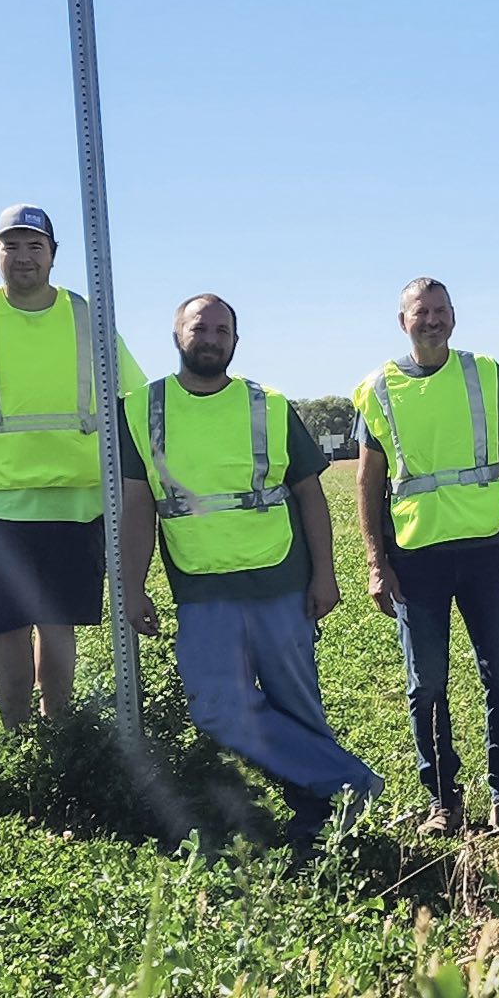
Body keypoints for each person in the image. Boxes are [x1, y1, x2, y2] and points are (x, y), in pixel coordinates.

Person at [121, 294, 382, 856]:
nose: (210, 337)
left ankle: (319, 823)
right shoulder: (140, 409)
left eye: (222, 329)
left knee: (298, 707)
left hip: (279, 581)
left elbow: (309, 493)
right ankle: (349, 783)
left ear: (235, 342)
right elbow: (138, 505)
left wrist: (324, 575)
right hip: (201, 586)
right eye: (199, 327)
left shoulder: (269, 405)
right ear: (176, 335)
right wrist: (131, 583)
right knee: (217, 707)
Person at [0, 205, 142, 731]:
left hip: (79, 500)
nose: (23, 257)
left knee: (58, 622)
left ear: (53, 256)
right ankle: (17, 734)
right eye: (11, 246)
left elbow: (130, 400)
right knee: (8, 626)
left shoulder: (86, 315)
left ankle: (58, 728)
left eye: (34, 246)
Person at [353, 278, 499, 835]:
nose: (431, 320)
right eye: (420, 312)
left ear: (453, 317)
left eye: (440, 311)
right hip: (416, 558)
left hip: (487, 550)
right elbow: (368, 480)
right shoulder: (377, 389)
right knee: (425, 685)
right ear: (402, 321)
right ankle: (443, 801)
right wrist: (375, 562)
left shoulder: (484, 373)